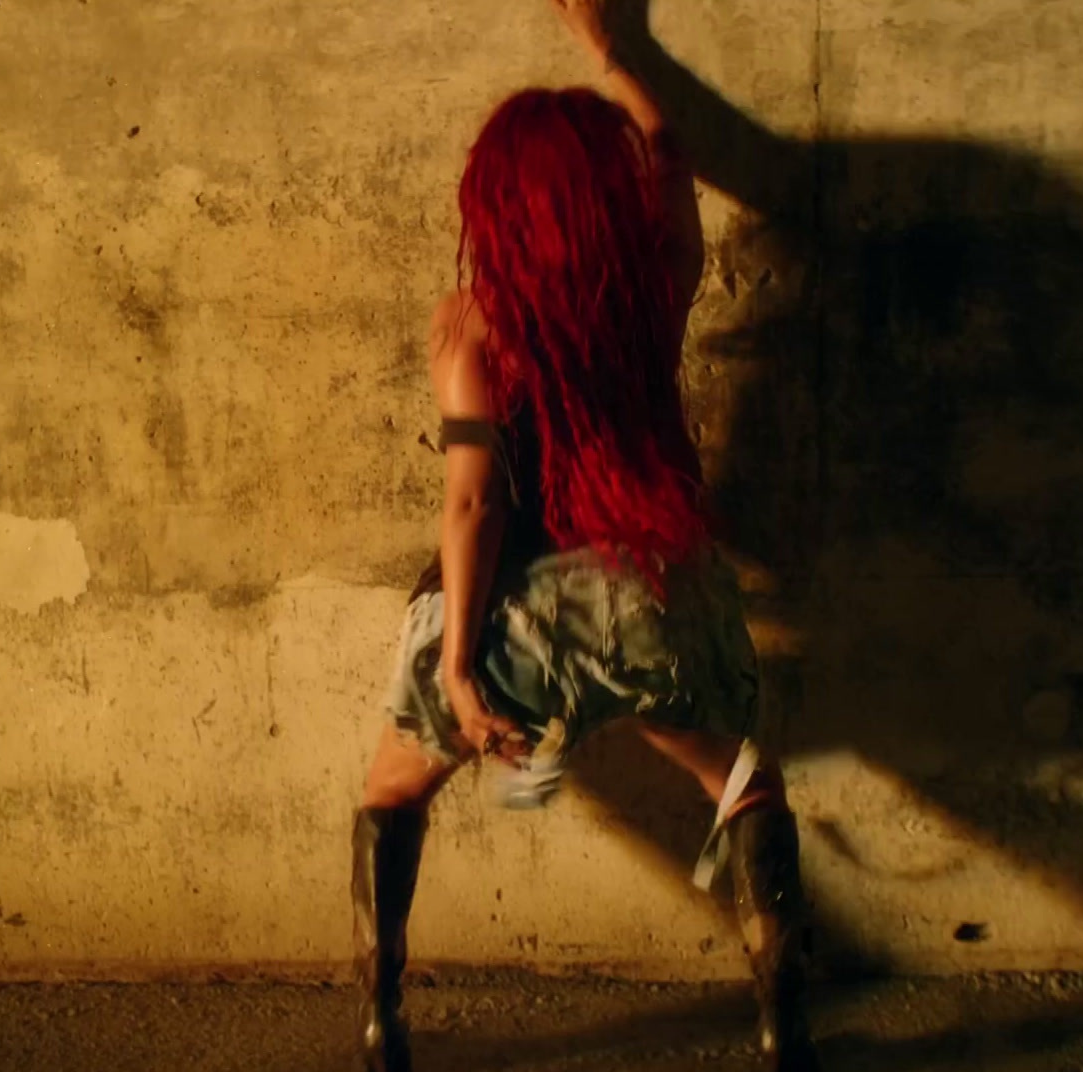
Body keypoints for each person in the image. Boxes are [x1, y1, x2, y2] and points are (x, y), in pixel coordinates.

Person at [351, 2, 820, 1069]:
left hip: (515, 611)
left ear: (495, 208)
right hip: (652, 590)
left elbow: (475, 502)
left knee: (390, 788)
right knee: (743, 776)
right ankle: (779, 1019)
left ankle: (383, 1017)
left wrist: (463, 668)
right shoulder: (652, 282)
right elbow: (667, 154)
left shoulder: (473, 326)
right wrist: (613, 47)